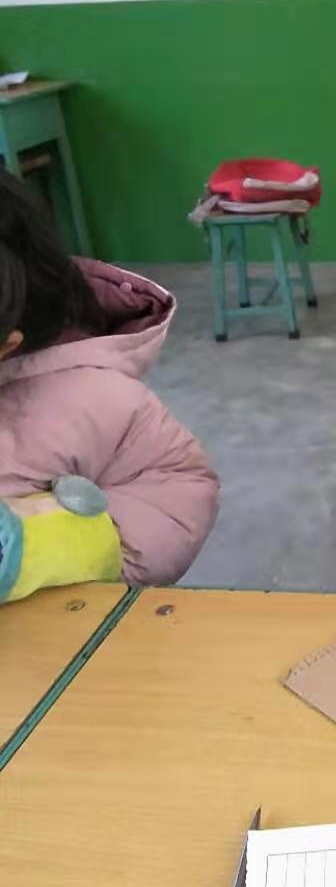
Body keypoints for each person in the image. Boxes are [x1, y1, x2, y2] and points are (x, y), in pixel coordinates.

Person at [0, 170, 219, 600]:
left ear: (7, 344)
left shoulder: (90, 397)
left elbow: (176, 491)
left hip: (54, 629)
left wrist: (69, 545)